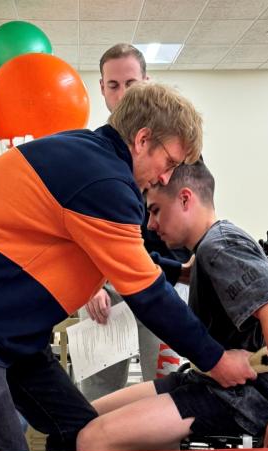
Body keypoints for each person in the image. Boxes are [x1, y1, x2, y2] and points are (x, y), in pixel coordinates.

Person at [0, 82, 256, 451]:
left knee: (81, 433)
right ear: (142, 139)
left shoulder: (87, 158)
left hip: (6, 333)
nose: (166, 177)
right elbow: (148, 297)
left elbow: (114, 252)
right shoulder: (103, 180)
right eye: (168, 162)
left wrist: (177, 272)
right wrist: (215, 361)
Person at [77, 161, 268, 451]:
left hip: (240, 398)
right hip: (209, 380)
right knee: (86, 417)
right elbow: (179, 270)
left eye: (156, 210)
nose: (150, 225)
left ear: (185, 198)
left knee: (92, 439)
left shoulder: (219, 247)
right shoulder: (210, 246)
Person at [81, 43, 190, 400]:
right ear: (102, 89)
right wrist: (89, 285)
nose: (123, 93)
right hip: (104, 286)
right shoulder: (94, 155)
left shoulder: (176, 150)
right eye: (113, 85)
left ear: (147, 82)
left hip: (162, 282)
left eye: (131, 83)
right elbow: (79, 231)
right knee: (98, 390)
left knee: (165, 386)